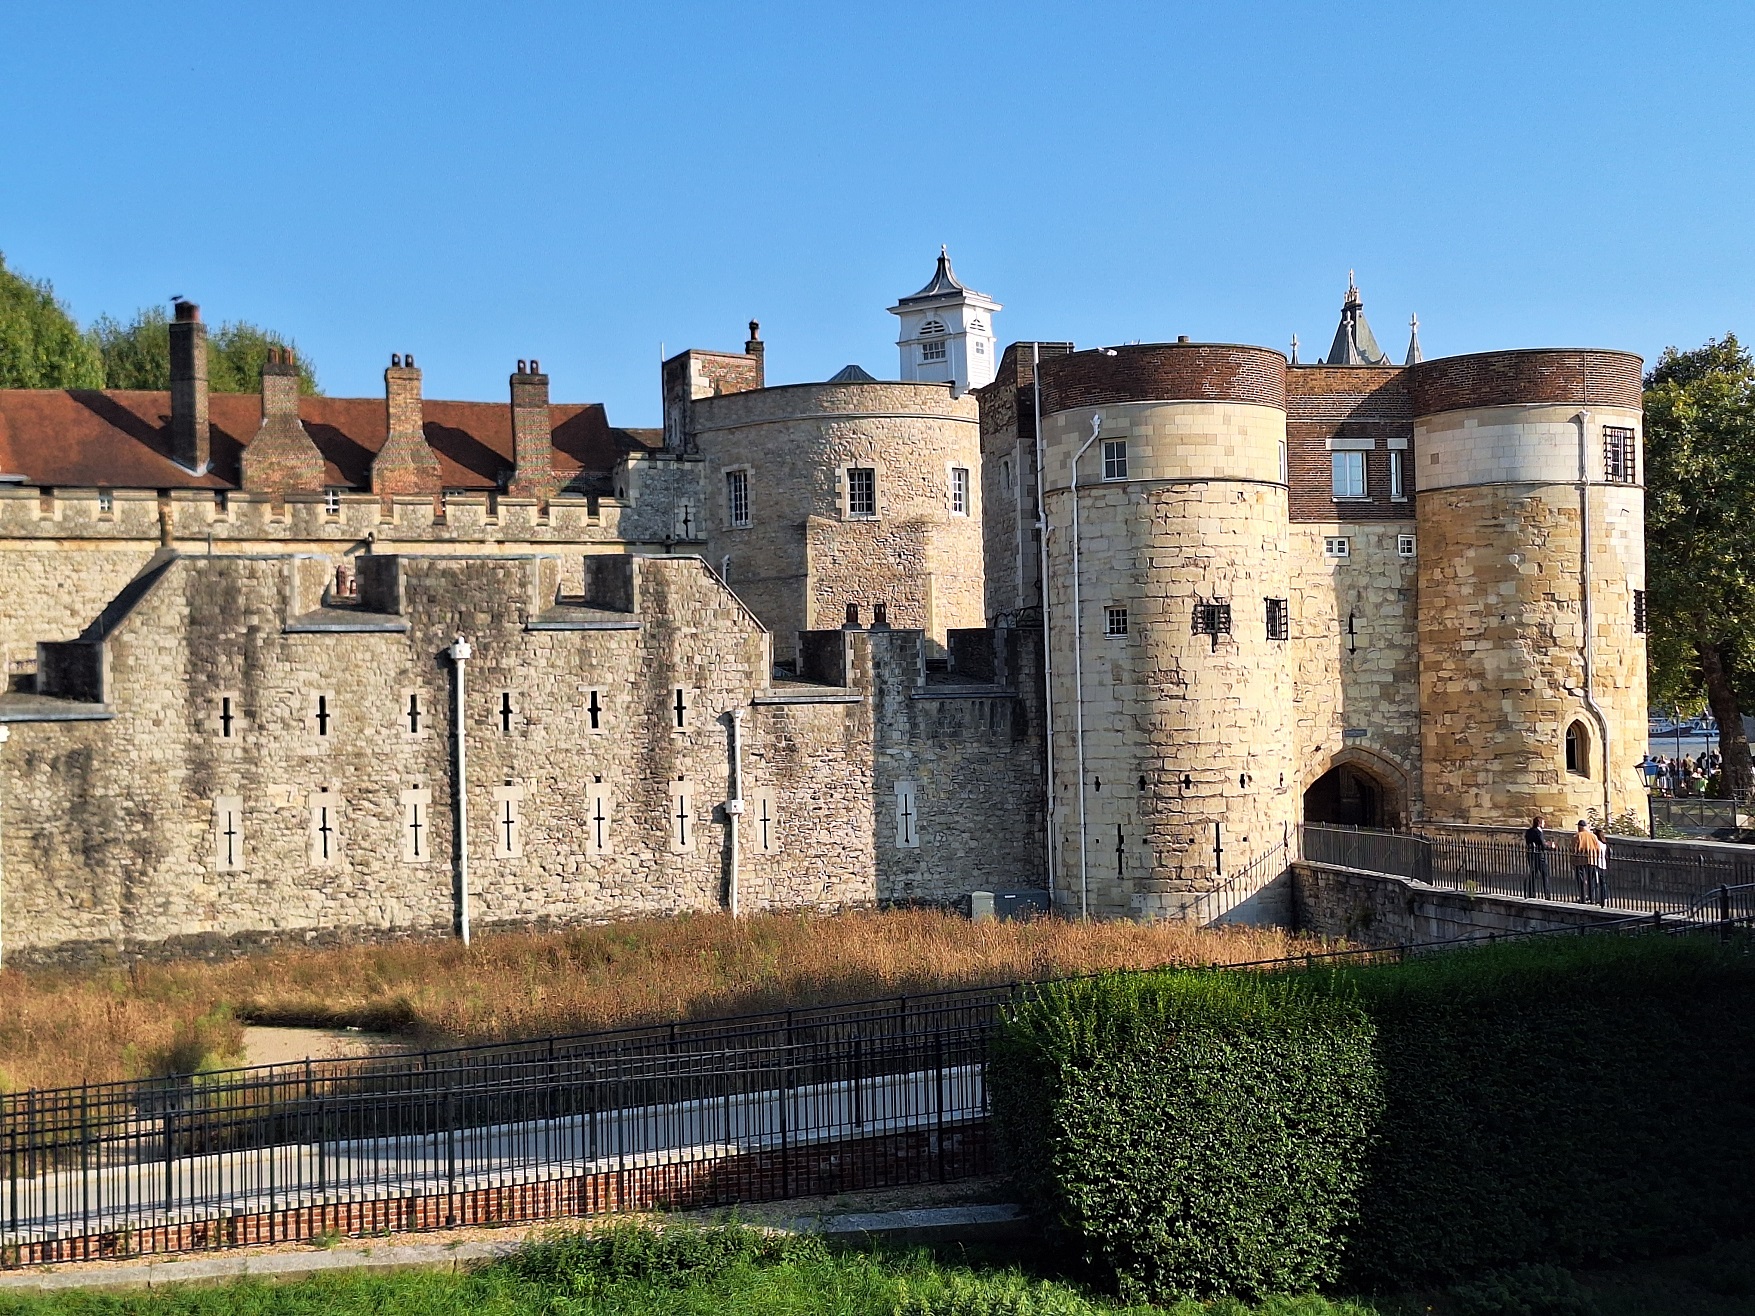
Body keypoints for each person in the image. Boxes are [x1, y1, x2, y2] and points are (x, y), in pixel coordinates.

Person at [1572, 821, 1602, 903]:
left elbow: (1574, 849)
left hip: (1579, 861)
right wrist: (1596, 858)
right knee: (1591, 880)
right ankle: (1592, 898)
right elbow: (1598, 849)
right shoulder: (1593, 836)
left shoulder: (1577, 836)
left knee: (1581, 881)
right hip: (1591, 860)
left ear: (1580, 827)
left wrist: (1573, 862)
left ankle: (1582, 898)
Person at [1524, 815, 1552, 899]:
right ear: (1539, 823)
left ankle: (1531, 893)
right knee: (1544, 875)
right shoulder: (1539, 832)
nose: (1544, 823)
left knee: (1533, 874)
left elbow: (1529, 842)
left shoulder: (1529, 831)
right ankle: (1547, 894)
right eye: (1543, 822)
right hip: (1540, 856)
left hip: (1531, 855)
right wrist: (1550, 846)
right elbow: (1542, 845)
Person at [1590, 825, 1610, 906]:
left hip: (1597, 863)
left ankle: (1597, 898)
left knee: (1596, 882)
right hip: (1604, 864)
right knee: (1603, 882)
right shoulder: (1604, 843)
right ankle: (1604, 897)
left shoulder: (1597, 843)